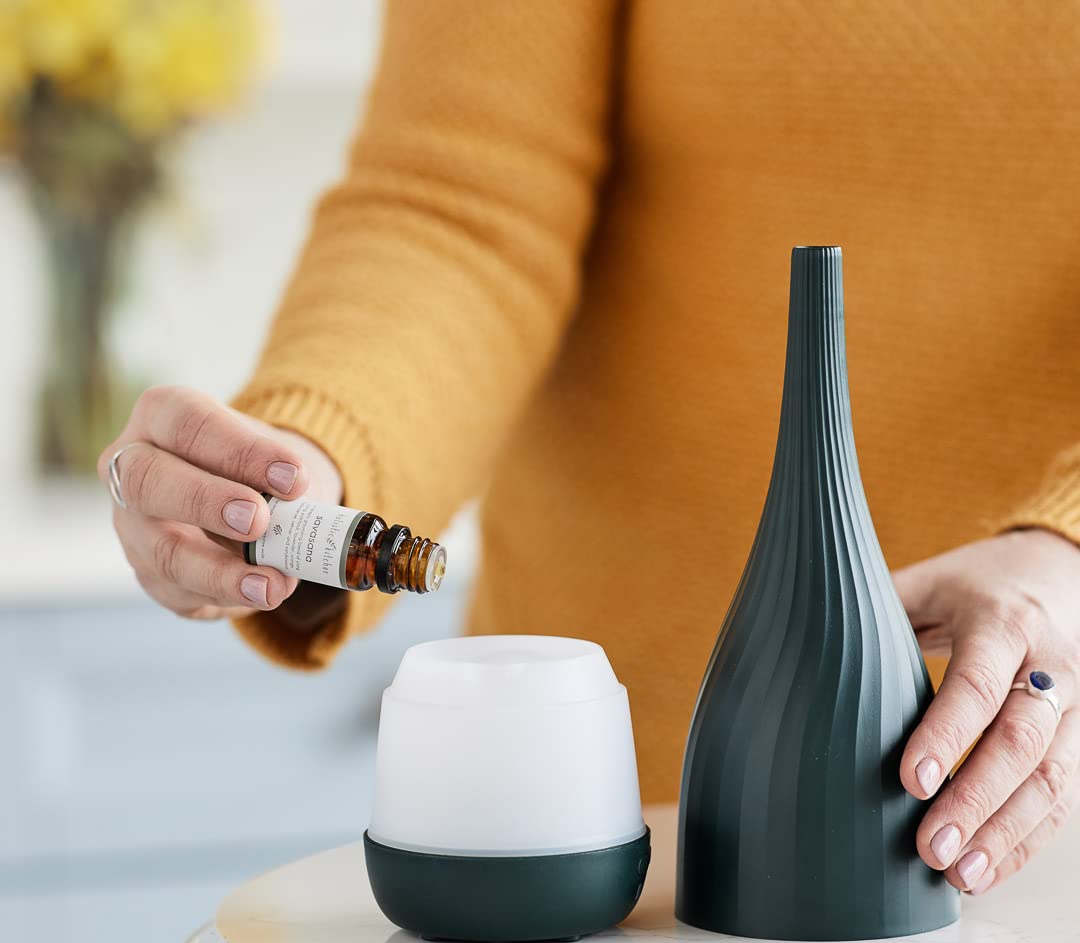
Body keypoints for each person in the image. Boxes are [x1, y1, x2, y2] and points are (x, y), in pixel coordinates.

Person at [99, 4, 1079, 897]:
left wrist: (1064, 549)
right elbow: (458, 201)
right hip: (587, 821)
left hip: (1024, 818)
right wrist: (317, 455)